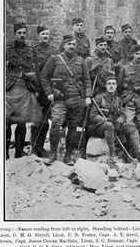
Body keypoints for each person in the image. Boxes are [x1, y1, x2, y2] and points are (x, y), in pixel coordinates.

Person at [40, 34, 92, 165]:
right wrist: (49, 93)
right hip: (60, 98)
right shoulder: (55, 59)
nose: (72, 46)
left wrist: (88, 96)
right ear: (64, 45)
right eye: (69, 44)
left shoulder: (81, 61)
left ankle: (68, 156)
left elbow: (87, 80)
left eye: (74, 44)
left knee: (73, 127)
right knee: (56, 123)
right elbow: (44, 77)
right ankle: (53, 155)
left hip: (77, 98)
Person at [89, 76, 140, 163]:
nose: (111, 86)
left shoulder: (118, 99)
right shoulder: (99, 97)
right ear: (105, 86)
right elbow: (93, 115)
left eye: (113, 84)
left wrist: (119, 120)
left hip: (113, 124)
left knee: (131, 126)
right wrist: (104, 120)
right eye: (109, 84)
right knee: (109, 125)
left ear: (116, 86)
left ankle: (138, 152)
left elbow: (123, 114)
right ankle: (112, 154)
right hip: (99, 127)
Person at [6, 22, 41, 159]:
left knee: (22, 122)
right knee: (6, 121)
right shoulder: (7, 50)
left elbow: (35, 70)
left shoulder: (30, 51)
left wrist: (35, 87)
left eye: (24, 33)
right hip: (9, 88)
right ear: (15, 34)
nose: (21, 35)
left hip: (24, 88)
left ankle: (19, 152)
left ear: (26, 34)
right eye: (19, 33)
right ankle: (5, 153)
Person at [31, 26, 60, 157]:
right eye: (43, 34)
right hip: (38, 89)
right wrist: (37, 88)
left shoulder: (55, 50)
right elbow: (35, 72)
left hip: (50, 90)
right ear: (38, 36)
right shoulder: (34, 51)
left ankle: (41, 147)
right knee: (37, 120)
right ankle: (34, 148)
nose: (45, 36)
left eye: (47, 34)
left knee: (46, 120)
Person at [118, 44, 140, 138]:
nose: (139, 56)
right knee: (128, 122)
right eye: (137, 54)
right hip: (129, 99)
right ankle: (127, 146)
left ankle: (139, 145)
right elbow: (120, 85)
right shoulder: (125, 68)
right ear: (133, 54)